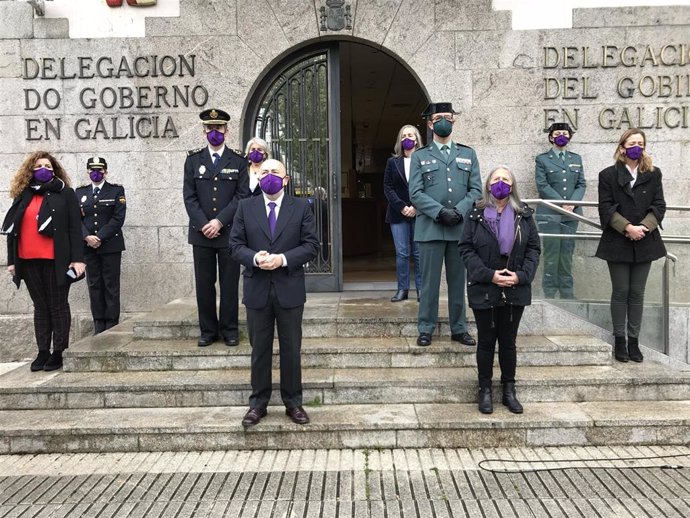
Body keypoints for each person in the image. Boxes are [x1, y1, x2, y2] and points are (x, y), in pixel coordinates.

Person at [229, 159, 319, 427]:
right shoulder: (245, 207)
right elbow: (234, 245)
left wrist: (282, 259)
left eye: (275, 173)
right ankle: (258, 404)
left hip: (289, 289)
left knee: (291, 348)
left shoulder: (301, 207)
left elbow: (311, 245)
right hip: (257, 289)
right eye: (264, 172)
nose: (269, 176)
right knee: (260, 350)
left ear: (286, 179)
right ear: (257, 177)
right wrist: (255, 257)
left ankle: (294, 403)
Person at [459, 166, 541, 414]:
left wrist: (521, 276)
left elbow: (534, 249)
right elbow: (466, 250)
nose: (501, 183)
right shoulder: (475, 214)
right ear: (488, 184)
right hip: (485, 287)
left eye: (506, 179)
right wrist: (490, 275)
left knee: (508, 342)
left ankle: (508, 390)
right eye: (496, 179)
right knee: (485, 341)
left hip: (515, 287)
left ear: (513, 185)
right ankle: (484, 390)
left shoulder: (524, 215)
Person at [2, 151, 85, 372]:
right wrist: (12, 260)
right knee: (40, 307)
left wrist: (78, 260)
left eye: (48, 166)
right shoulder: (23, 195)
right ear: (31, 170)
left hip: (55, 260)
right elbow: (13, 230)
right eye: (39, 166)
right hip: (27, 260)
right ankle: (42, 352)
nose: (43, 169)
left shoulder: (65, 194)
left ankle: (58, 352)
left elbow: (74, 228)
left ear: (54, 170)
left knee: (57, 306)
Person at [409, 102, 482, 347]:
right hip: (430, 228)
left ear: (454, 121)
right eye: (438, 117)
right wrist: (440, 212)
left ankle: (459, 328)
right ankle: (426, 328)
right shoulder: (420, 155)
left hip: (459, 228)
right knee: (429, 283)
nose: (443, 121)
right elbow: (416, 193)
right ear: (430, 124)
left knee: (458, 282)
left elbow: (476, 190)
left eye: (447, 117)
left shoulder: (468, 154)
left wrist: (459, 212)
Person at [595, 128, 666, 363]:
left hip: (646, 241)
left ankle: (634, 341)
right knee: (621, 291)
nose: (637, 146)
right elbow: (605, 208)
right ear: (622, 146)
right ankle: (620, 340)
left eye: (640, 143)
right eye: (632, 142)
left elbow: (659, 205)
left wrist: (644, 227)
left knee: (637, 293)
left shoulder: (653, 174)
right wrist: (627, 227)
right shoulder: (607, 175)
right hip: (618, 241)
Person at [183, 108, 250, 347]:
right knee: (204, 285)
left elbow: (241, 196)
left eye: (219, 128)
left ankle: (230, 330)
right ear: (203, 131)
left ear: (227, 131)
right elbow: (189, 197)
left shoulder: (239, 161)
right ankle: (208, 331)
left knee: (230, 285)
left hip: (229, 233)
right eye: (210, 128)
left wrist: (219, 221)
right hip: (201, 235)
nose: (214, 132)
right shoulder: (193, 160)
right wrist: (204, 224)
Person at [535, 122, 586, 299]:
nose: (561, 136)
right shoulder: (542, 159)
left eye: (564, 133)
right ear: (551, 137)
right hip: (550, 213)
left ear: (570, 136)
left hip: (571, 215)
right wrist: (561, 203)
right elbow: (542, 185)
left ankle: (566, 292)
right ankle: (549, 292)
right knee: (551, 253)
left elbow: (581, 184)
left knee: (566, 253)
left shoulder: (576, 159)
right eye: (557, 133)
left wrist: (572, 203)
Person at [76, 157, 126, 334]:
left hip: (110, 245)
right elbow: (76, 219)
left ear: (106, 171)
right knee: (94, 284)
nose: (96, 173)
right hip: (88, 246)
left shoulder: (116, 191)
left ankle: (112, 322)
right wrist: (87, 237)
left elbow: (118, 218)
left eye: (100, 170)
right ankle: (98, 322)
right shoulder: (80, 192)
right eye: (92, 170)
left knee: (111, 285)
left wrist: (99, 237)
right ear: (88, 172)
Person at [383, 124, 423, 302]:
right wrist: (402, 206)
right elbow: (388, 187)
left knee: (419, 253)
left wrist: (416, 207)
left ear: (416, 139)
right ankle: (402, 289)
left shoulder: (424, 160)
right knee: (402, 253)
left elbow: (429, 186)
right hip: (397, 214)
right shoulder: (392, 162)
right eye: (404, 135)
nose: (407, 138)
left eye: (411, 135)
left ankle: (422, 289)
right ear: (400, 140)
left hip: (420, 213)